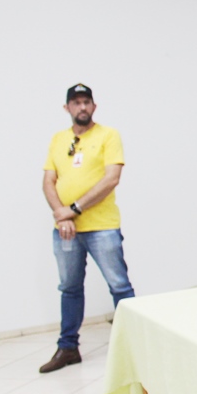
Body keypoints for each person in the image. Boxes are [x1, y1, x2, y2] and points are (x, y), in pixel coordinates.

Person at [40, 83, 135, 373]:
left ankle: (135, 347)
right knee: (69, 288)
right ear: (67, 108)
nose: (82, 107)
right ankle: (68, 348)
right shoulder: (58, 139)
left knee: (119, 285)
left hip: (102, 227)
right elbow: (48, 181)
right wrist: (62, 215)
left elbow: (111, 179)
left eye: (86, 102)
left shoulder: (108, 135)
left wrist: (74, 209)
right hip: (66, 229)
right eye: (76, 103)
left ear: (94, 106)